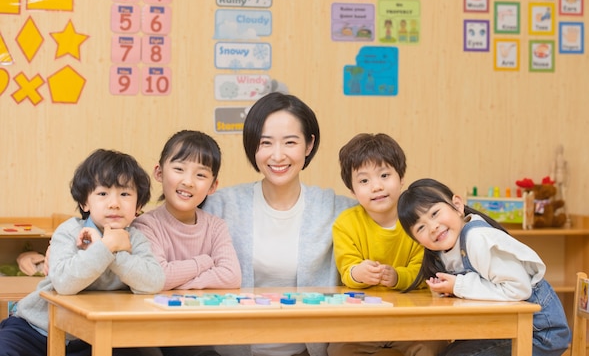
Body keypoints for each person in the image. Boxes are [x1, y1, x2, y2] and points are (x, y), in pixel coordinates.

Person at [202, 92, 357, 356]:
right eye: (265, 143)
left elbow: (389, 218)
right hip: (232, 351)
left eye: (290, 142)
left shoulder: (335, 209)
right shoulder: (221, 205)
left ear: (308, 146)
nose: (277, 155)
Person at [0, 149, 165, 356]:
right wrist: (104, 247)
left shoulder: (136, 238)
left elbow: (153, 281)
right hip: (36, 329)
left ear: (138, 205)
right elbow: (64, 283)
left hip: (92, 338)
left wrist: (114, 250)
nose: (114, 203)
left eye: (124, 194)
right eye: (102, 194)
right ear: (84, 202)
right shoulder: (69, 231)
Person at [397, 178, 571, 356]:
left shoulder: (477, 239)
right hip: (509, 327)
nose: (432, 227)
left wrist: (459, 285)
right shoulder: (445, 250)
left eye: (434, 213)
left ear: (457, 205)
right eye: (420, 227)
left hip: (539, 333)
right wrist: (451, 289)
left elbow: (519, 289)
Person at [329, 133, 446, 356]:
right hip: (361, 323)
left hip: (412, 321)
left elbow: (423, 271)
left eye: (384, 175)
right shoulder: (345, 224)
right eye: (364, 181)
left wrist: (396, 277)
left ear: (401, 178)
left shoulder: (418, 221)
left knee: (434, 346)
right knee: (339, 348)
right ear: (353, 191)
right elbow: (347, 269)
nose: (376, 187)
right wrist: (359, 273)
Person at [133, 130, 242, 356]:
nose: (188, 181)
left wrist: (175, 283)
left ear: (213, 186)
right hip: (150, 332)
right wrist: (204, 262)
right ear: (159, 172)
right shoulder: (145, 226)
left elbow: (232, 276)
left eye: (200, 175)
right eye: (179, 169)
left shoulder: (216, 226)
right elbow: (158, 277)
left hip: (198, 335)